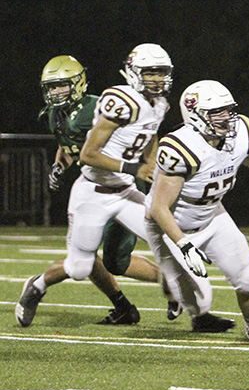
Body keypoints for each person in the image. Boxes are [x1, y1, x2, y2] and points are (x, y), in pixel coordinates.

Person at [16, 54, 166, 328]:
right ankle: (120, 304)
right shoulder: (52, 114)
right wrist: (59, 165)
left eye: (62, 85)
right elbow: (70, 142)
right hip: (94, 190)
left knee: (117, 261)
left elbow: (142, 132)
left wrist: (147, 167)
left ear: (79, 83)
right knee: (85, 259)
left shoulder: (98, 107)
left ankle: (171, 285)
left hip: (127, 186)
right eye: (51, 87)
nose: (56, 92)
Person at [144, 80, 249, 340]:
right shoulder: (181, 147)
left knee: (247, 281)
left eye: (228, 110)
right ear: (194, 113)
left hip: (213, 215)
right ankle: (175, 288)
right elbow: (160, 207)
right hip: (170, 226)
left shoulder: (242, 130)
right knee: (200, 302)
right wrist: (184, 245)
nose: (226, 118)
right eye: (216, 112)